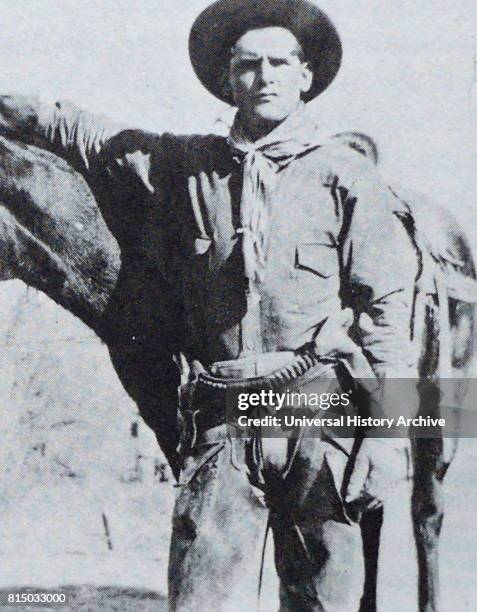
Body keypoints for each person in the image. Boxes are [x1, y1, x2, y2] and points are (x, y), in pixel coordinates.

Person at [0, 1, 421, 609]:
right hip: (223, 421)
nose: (265, 76)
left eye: (281, 62)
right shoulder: (184, 165)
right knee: (201, 601)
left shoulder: (346, 178)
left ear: (306, 76)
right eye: (249, 65)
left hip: (320, 421)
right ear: (229, 79)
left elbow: (386, 317)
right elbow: (77, 131)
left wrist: (388, 440)